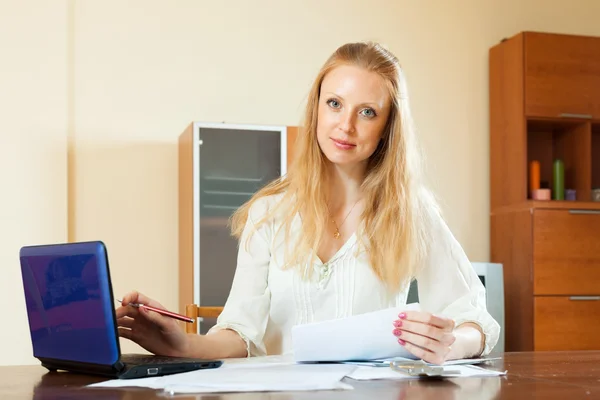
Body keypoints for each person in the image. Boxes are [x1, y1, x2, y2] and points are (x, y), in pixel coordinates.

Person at [117, 41, 500, 365]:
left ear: (387, 127)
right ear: (317, 107)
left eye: (367, 112)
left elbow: (475, 320)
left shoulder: (410, 213)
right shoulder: (269, 214)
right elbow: (240, 336)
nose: (345, 125)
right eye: (334, 103)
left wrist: (452, 342)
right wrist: (178, 343)